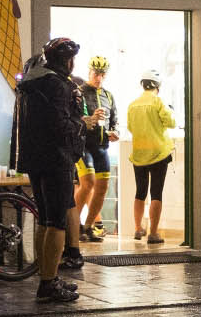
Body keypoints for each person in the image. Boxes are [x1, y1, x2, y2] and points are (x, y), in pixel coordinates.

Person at [17, 36, 100, 302]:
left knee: (44, 220)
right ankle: (48, 284)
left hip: (35, 158)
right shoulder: (57, 85)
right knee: (56, 222)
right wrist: (82, 125)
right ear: (66, 61)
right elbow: (60, 125)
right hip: (57, 158)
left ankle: (48, 276)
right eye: (72, 59)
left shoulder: (32, 82)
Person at [127, 70, 177, 244]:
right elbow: (171, 122)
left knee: (140, 191)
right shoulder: (158, 102)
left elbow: (130, 128)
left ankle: (137, 228)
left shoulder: (133, 105)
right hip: (158, 154)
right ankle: (153, 233)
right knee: (156, 193)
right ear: (158, 86)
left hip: (139, 154)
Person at [74, 55, 119, 242]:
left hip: (101, 147)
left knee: (102, 187)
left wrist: (114, 132)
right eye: (95, 73)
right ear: (89, 72)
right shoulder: (79, 92)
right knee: (88, 183)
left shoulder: (108, 96)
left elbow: (114, 120)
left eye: (102, 74)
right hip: (84, 146)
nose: (99, 77)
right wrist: (91, 118)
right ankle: (73, 225)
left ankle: (88, 226)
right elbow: (74, 119)